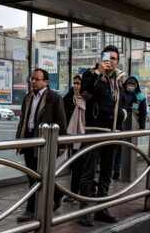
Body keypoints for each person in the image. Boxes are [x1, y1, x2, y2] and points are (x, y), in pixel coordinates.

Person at [78, 45, 127, 227]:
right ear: (101, 58)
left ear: (118, 61)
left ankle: (101, 208)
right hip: (95, 130)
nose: (111, 61)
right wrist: (99, 73)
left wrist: (123, 114)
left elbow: (122, 101)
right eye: (108, 57)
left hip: (113, 132)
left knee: (107, 172)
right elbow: (85, 95)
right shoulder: (91, 74)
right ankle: (84, 210)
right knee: (89, 171)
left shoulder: (118, 79)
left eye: (114, 58)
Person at [15, 68, 67, 222]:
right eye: (32, 79)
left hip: (44, 141)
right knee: (33, 174)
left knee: (34, 176)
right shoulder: (28, 97)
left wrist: (62, 144)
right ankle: (57, 193)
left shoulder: (54, 97)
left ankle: (30, 209)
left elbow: (61, 120)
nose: (33, 82)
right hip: (29, 138)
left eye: (37, 79)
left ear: (46, 81)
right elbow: (24, 119)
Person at [113, 74, 147, 179]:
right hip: (120, 125)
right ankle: (116, 170)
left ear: (136, 85)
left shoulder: (141, 98)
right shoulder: (121, 93)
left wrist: (142, 126)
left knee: (130, 149)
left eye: (133, 84)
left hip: (132, 126)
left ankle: (130, 170)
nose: (130, 86)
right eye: (129, 84)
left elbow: (143, 113)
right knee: (118, 148)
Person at [63, 75, 84, 204]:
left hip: (85, 137)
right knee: (75, 166)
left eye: (79, 83)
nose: (76, 86)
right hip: (73, 137)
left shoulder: (87, 98)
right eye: (74, 83)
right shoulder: (70, 98)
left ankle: (82, 194)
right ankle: (74, 193)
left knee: (81, 167)